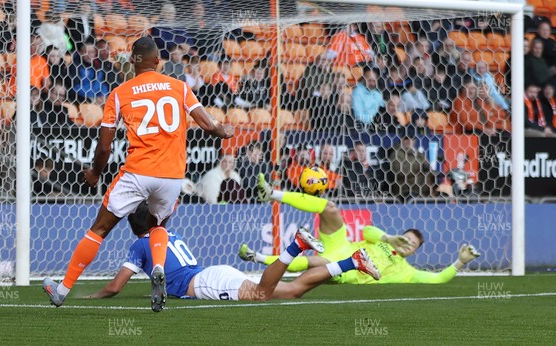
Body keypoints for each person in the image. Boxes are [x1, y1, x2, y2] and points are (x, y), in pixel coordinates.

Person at [42, 37, 235, 313]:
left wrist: (95, 173)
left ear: (133, 60)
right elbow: (207, 124)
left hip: (138, 171)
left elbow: (105, 146)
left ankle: (61, 290)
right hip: (171, 176)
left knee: (99, 229)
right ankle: (158, 268)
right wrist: (223, 130)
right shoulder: (179, 87)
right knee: (158, 226)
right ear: (158, 61)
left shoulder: (120, 93)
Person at [86, 202, 380, 300]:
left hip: (204, 284)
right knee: (290, 292)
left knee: (262, 294)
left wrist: (89, 296)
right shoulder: (166, 233)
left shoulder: (140, 244)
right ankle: (351, 262)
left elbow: (114, 287)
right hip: (211, 275)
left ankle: (296, 245)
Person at [240, 173, 481, 284]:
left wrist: (460, 262)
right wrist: (389, 237)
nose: (406, 243)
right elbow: (366, 231)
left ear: (415, 251)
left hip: (350, 270)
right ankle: (272, 193)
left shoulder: (406, 272)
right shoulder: (384, 240)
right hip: (343, 246)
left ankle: (258, 257)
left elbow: (438, 279)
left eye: (411, 244)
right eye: (406, 238)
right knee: (331, 208)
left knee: (317, 262)